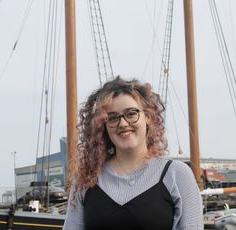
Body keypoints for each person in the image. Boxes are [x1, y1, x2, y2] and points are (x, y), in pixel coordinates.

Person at [63, 76, 203, 230]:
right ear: (103, 125)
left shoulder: (176, 174)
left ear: (148, 117)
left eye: (131, 113)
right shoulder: (86, 179)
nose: (123, 123)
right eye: (113, 118)